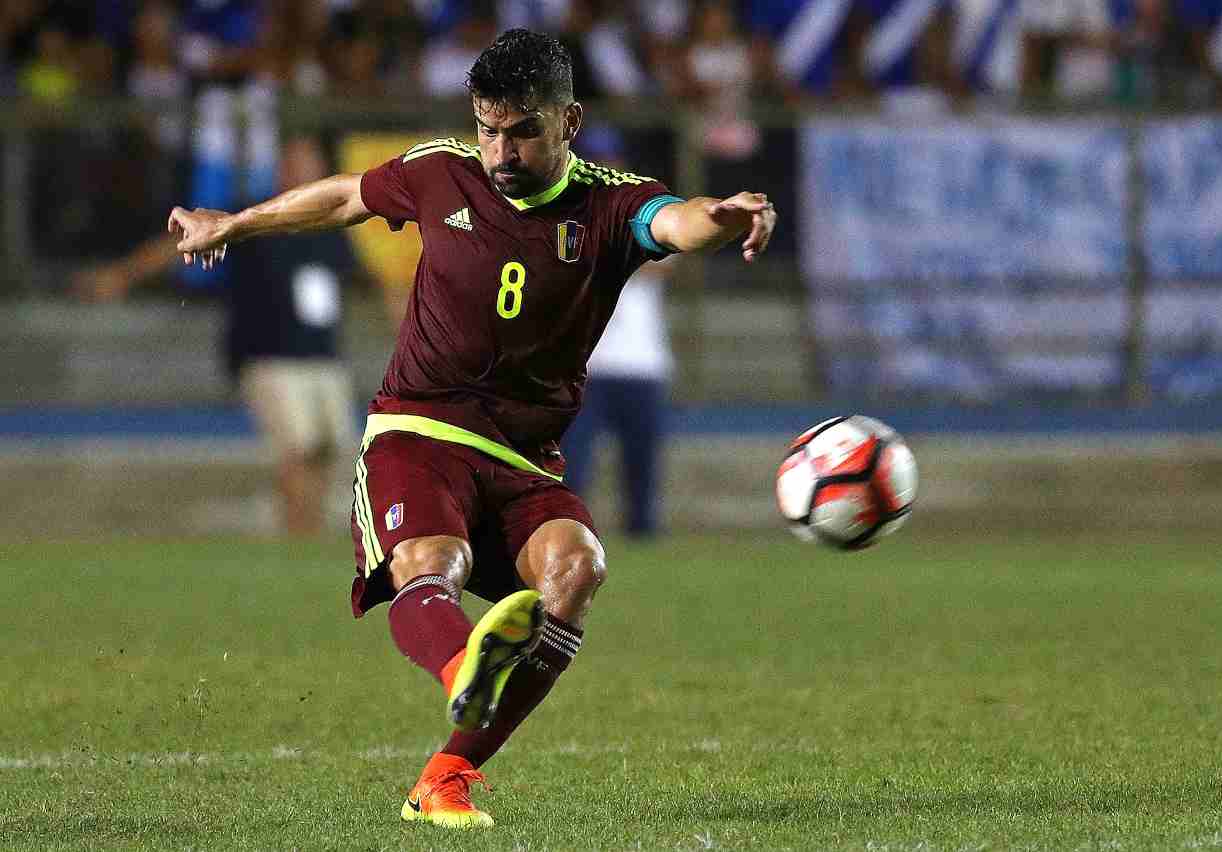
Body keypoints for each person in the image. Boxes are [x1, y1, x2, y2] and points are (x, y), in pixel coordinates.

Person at [167, 27, 777, 830]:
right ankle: (465, 665)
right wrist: (236, 222)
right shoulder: (439, 171)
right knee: (435, 562)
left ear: (570, 121)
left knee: (576, 568)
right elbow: (347, 195)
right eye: (489, 128)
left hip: (526, 458)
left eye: (523, 130)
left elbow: (678, 223)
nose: (501, 150)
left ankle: (445, 776)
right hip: (416, 430)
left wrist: (725, 215)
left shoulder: (610, 202)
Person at [77, 136, 369, 536]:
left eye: (309, 161)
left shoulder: (332, 226)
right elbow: (186, 237)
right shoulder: (258, 213)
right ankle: (298, 535)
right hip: (269, 355)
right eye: (294, 160)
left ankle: (309, 535)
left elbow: (357, 279)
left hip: (322, 356)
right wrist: (124, 274)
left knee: (330, 450)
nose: (301, 169)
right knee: (297, 448)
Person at [560, 125, 675, 538]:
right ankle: (568, 548)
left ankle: (643, 550)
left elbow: (666, 264)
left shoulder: (642, 207)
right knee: (573, 471)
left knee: (641, 476)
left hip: (642, 365)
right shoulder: (564, 213)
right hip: (587, 366)